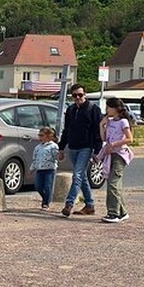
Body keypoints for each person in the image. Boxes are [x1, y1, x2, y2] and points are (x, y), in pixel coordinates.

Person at [57, 84, 103, 218]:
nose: (77, 98)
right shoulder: (71, 110)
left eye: (80, 95)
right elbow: (67, 130)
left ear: (85, 94)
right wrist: (61, 148)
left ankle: (69, 204)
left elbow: (97, 130)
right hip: (73, 147)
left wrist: (96, 150)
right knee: (81, 177)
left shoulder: (93, 109)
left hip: (86, 147)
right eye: (75, 95)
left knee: (76, 175)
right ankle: (90, 205)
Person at [97, 98, 135, 223]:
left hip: (119, 154)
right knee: (114, 184)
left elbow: (129, 139)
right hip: (110, 154)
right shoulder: (110, 121)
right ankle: (122, 212)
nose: (107, 110)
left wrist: (113, 144)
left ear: (115, 108)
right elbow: (104, 138)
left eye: (108, 107)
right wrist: (102, 125)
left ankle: (113, 213)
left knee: (113, 183)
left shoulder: (123, 122)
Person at [30, 127, 60, 210]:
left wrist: (59, 155)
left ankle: (46, 202)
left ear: (48, 136)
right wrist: (32, 169)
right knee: (38, 186)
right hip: (40, 170)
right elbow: (35, 159)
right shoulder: (38, 147)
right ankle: (45, 198)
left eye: (42, 135)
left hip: (49, 170)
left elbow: (56, 156)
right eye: (39, 135)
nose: (40, 137)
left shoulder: (53, 146)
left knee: (47, 186)